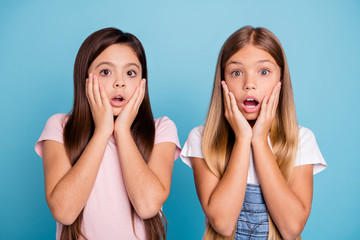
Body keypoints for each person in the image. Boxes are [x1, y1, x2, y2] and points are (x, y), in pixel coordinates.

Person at [180, 26, 326, 240]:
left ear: (281, 81)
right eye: (236, 73)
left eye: (264, 72)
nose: (249, 84)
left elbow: (291, 228)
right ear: (223, 82)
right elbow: (222, 222)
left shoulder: (301, 139)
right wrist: (242, 138)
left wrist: (259, 140)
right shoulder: (202, 138)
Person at [35, 27, 181, 240]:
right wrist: (103, 131)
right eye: (105, 72)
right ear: (85, 78)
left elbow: (148, 206)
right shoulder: (59, 127)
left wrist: (121, 130)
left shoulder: (161, 129)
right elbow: (64, 212)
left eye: (130, 73)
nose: (119, 83)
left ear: (143, 82)